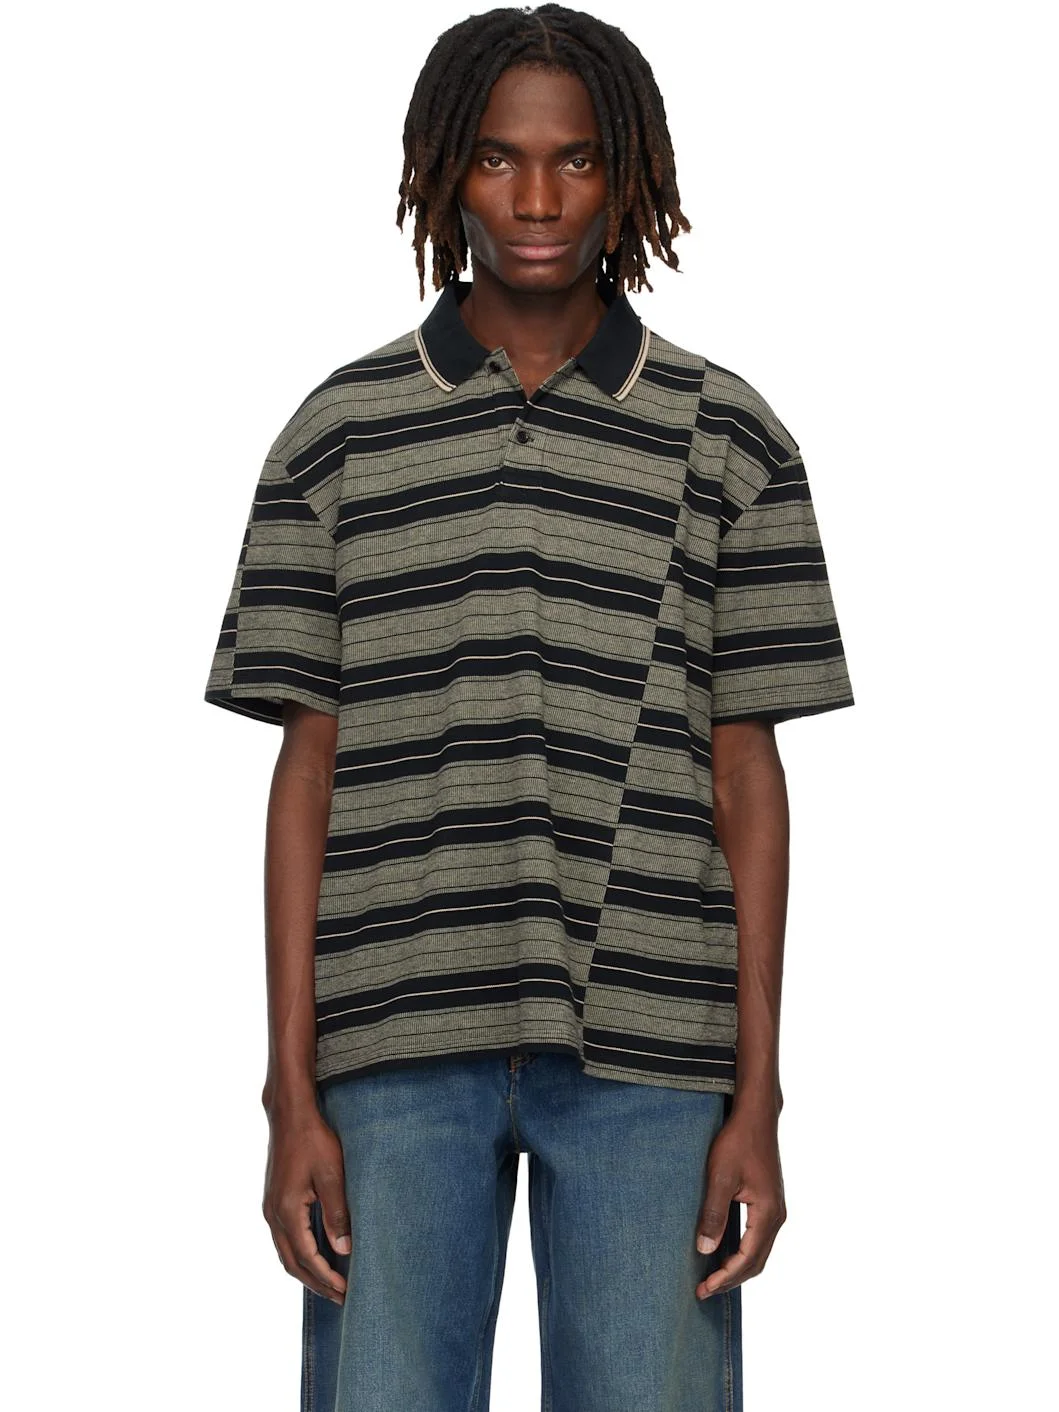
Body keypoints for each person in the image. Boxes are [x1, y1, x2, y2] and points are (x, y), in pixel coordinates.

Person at [203, 6, 855, 1409]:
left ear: (630, 174)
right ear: (442, 172)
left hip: (655, 1051)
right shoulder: (337, 436)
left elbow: (746, 776)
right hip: (389, 1045)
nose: (539, 199)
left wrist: (759, 1094)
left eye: (575, 161)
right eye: (498, 159)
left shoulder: (729, 439)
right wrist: (287, 1091)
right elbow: (305, 771)